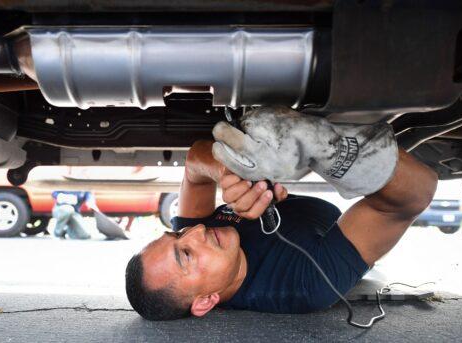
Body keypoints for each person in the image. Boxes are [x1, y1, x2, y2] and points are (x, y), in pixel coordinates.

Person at [125, 107, 438, 320]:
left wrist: (229, 173)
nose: (195, 232)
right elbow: (411, 197)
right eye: (187, 256)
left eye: (176, 234)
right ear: (206, 301)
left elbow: (194, 162)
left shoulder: (202, 235)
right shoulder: (306, 285)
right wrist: (328, 147)